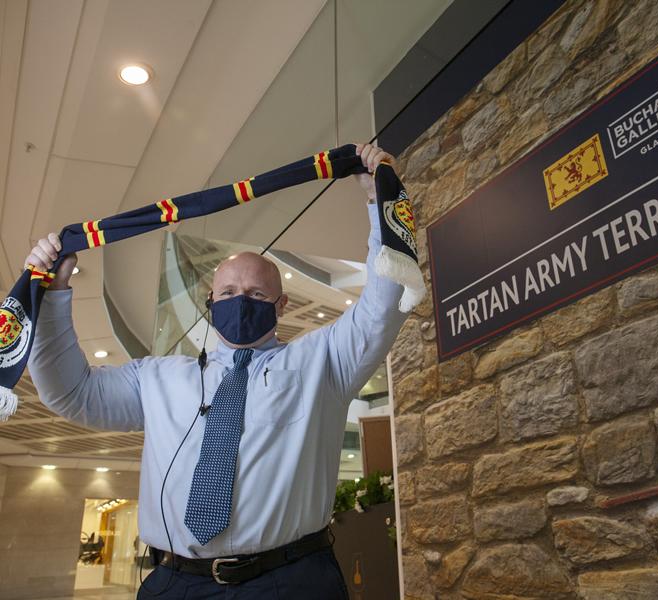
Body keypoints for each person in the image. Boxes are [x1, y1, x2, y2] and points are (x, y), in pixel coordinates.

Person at [26, 143, 408, 598]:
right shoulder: (157, 377)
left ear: (282, 305)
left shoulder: (323, 362)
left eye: (255, 293)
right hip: (175, 583)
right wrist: (51, 294)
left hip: (292, 581)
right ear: (209, 304)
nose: (239, 300)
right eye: (226, 292)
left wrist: (376, 198)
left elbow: (383, 306)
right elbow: (70, 392)